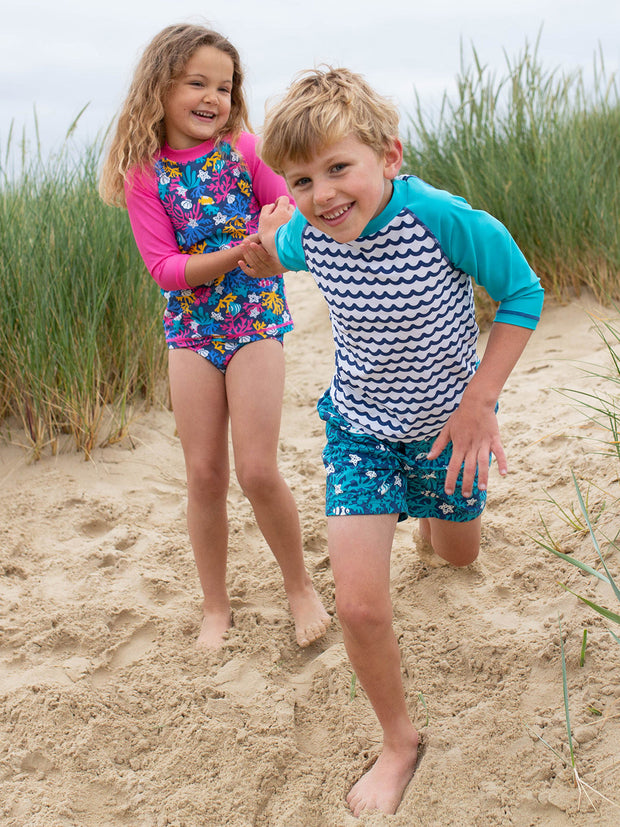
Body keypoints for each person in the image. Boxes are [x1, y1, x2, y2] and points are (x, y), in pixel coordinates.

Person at [240, 67, 544, 816]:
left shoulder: (442, 219)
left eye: (339, 168)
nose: (325, 195)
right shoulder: (310, 233)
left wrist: (480, 403)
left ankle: (433, 529)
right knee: (362, 609)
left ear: (390, 156)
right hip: (361, 434)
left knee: (457, 554)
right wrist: (258, 250)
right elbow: (278, 246)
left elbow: (523, 294)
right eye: (303, 179)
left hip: (448, 432)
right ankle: (400, 739)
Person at [98, 24, 330, 650]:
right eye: (196, 83)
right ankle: (214, 605)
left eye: (223, 87)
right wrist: (237, 251)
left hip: (255, 322)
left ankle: (299, 586)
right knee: (203, 474)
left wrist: (278, 226)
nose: (212, 97)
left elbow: (287, 211)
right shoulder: (144, 176)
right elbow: (166, 271)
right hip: (190, 334)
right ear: (160, 88)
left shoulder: (246, 150)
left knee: (256, 470)